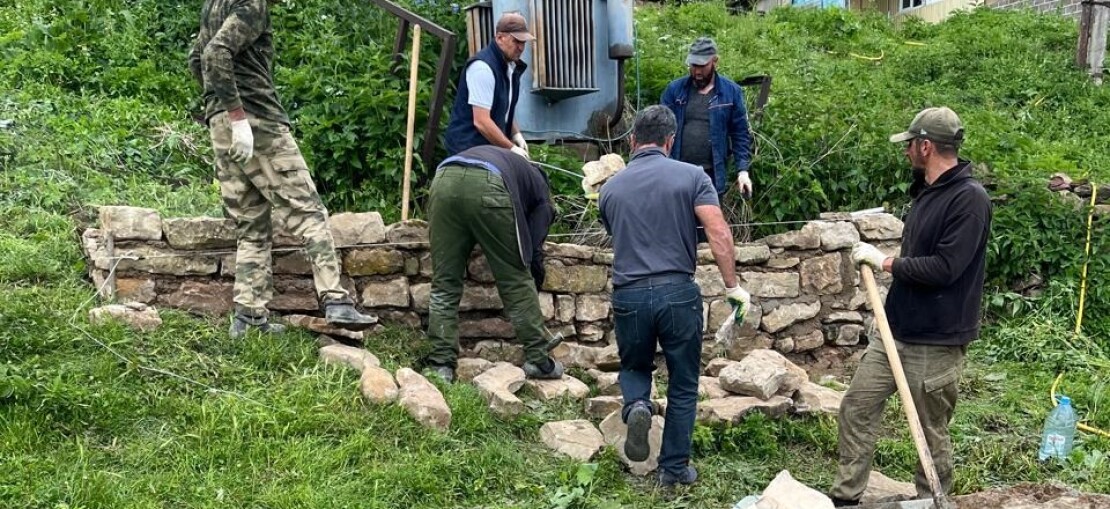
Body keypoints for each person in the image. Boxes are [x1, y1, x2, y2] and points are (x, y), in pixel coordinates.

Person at [831, 107, 992, 507]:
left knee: (930, 430)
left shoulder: (969, 200)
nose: (905, 152)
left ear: (925, 146)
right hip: (894, 331)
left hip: (936, 340)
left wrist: (884, 262)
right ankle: (846, 497)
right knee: (856, 407)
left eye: (909, 145)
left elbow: (945, 268)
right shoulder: (927, 191)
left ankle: (932, 500)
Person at [188, 0, 377, 338]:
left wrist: (220, 106)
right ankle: (335, 299)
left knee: (251, 223)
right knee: (308, 211)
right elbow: (215, 52)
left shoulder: (214, 4)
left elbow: (196, 58)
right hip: (257, 120)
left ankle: (249, 318)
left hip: (220, 124)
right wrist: (239, 115)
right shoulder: (252, 3)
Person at [598, 105, 751, 488]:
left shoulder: (610, 189)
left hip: (630, 294)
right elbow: (718, 232)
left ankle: (637, 405)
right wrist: (732, 287)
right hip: (677, 293)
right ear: (670, 140)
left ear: (633, 141)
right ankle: (673, 469)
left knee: (635, 367)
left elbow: (616, 233)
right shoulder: (693, 176)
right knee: (683, 382)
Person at [422, 145, 562, 383]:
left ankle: (441, 365)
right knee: (515, 280)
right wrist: (535, 279)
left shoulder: (511, 163)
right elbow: (532, 250)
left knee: (444, 283)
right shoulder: (541, 192)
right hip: (489, 183)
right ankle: (539, 360)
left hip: (444, 180)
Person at [661, 37, 753, 198]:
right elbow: (660, 130)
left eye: (702, 66)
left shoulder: (731, 92)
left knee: (710, 214)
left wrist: (743, 171)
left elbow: (740, 134)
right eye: (693, 65)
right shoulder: (674, 90)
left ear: (715, 61)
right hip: (677, 172)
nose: (697, 72)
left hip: (712, 176)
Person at [444, 12, 534, 158]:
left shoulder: (508, 66)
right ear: (499, 38)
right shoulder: (482, 68)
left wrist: (516, 134)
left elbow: (502, 108)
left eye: (523, 42)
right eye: (516, 41)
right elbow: (481, 121)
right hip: (467, 150)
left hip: (488, 149)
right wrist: (511, 148)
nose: (521, 47)